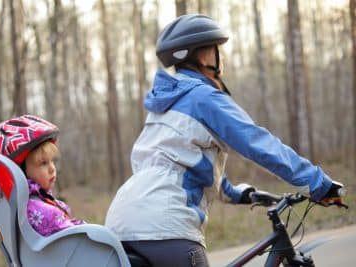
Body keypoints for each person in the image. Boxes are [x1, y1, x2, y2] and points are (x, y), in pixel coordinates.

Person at [105, 14, 345, 267]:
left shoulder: (163, 105)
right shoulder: (203, 97)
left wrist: (241, 194)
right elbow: (259, 143)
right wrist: (318, 183)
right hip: (164, 226)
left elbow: (180, 168)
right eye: (215, 49)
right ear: (204, 55)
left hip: (121, 223)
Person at [0, 114, 85, 236]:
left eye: (51, 160)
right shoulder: (41, 212)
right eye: (43, 163)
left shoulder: (30, 203)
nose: (52, 168)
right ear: (19, 170)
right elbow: (78, 240)